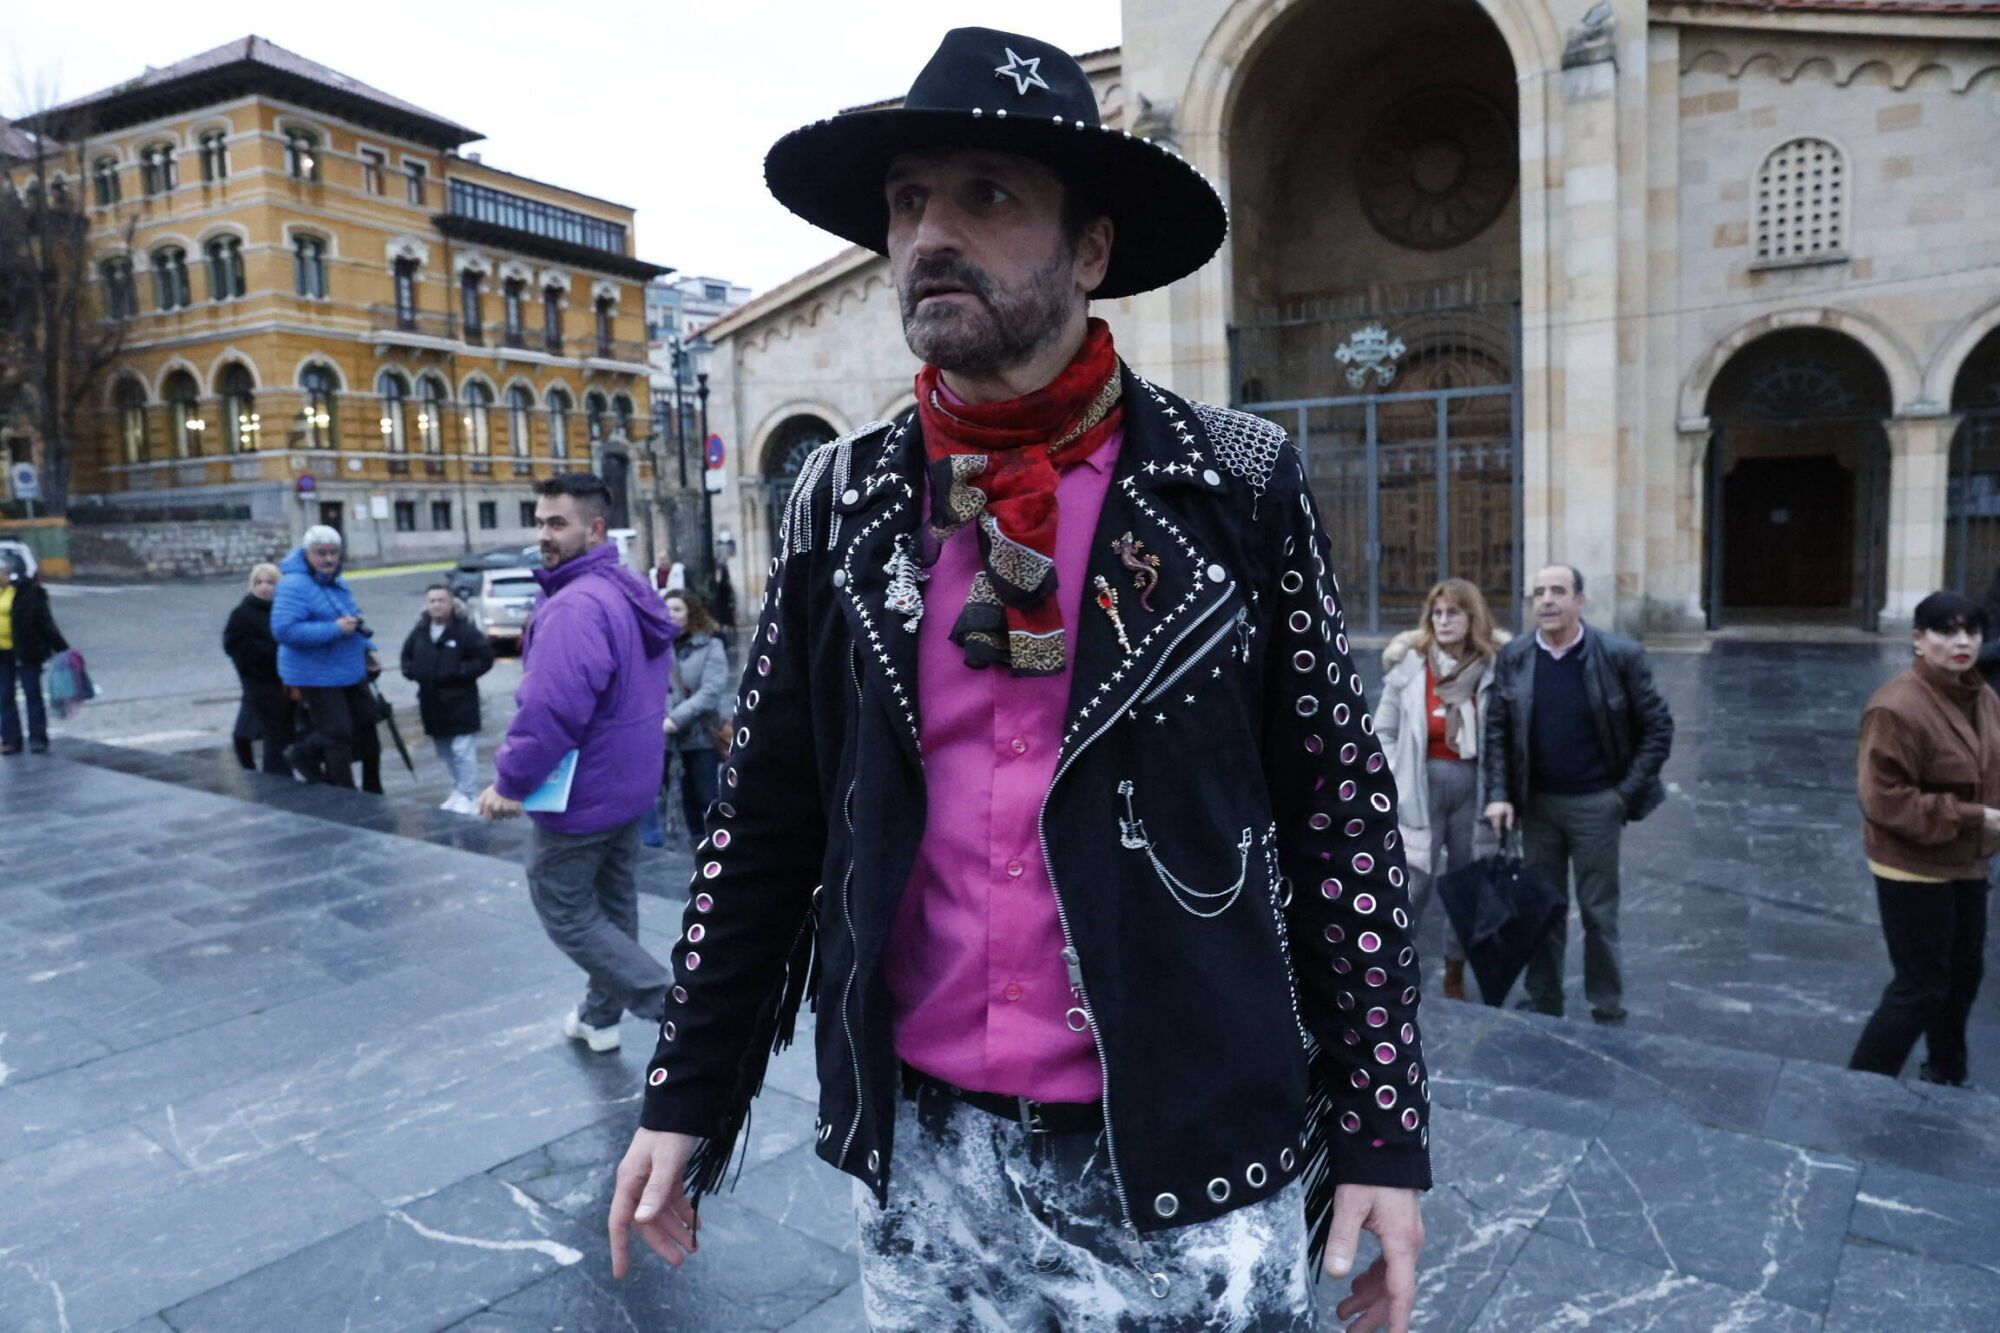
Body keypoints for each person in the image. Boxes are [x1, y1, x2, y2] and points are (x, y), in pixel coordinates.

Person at [609, 30, 1428, 1333]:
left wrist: (1382, 1131)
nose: (931, 232)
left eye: (986, 194)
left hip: (1192, 1148)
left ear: (1091, 249)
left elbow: (1338, 815)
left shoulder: (1235, 483)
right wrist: (686, 1091)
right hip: (926, 1158)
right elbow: (765, 819)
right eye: (908, 200)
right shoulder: (841, 500)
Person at [479, 473, 679, 1055]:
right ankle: (599, 1016)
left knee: (564, 906)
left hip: (583, 791)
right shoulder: (625, 587)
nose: (543, 534)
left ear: (593, 529)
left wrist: (509, 782)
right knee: (613, 907)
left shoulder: (576, 606)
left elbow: (548, 712)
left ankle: (672, 1010)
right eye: (539, 521)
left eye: (556, 523)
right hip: (627, 783)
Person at [1482, 565, 1673, 1024]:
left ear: (1580, 600)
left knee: (1598, 912)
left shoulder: (1618, 655)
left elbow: (1658, 728)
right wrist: (1499, 793)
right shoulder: (1516, 656)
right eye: (1539, 593)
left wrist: (1623, 795)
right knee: (1542, 909)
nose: (1546, 601)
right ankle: (1543, 998)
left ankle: (1606, 1005)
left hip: (1598, 805)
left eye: (1558, 591)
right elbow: (1498, 731)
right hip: (1538, 805)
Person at [1849, 590, 2000, 1087]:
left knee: (1962, 979)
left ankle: (1946, 1072)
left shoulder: (1983, 696)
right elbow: (1885, 800)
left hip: (1968, 860)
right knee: (1920, 987)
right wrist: (1976, 816)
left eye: (1971, 632)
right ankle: (1863, 1084)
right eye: (1946, 631)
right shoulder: (1896, 707)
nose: (1962, 642)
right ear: (1918, 639)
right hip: (1912, 864)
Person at [1375, 579, 1504, 1002]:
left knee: (1467, 884)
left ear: (1473, 618)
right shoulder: (1410, 667)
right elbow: (1385, 731)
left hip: (1473, 788)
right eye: (1437, 613)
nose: (1444, 620)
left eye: (1454, 612)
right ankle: (1392, 969)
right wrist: (1396, 779)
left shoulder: (1492, 668)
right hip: (1420, 788)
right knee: (1412, 882)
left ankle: (1454, 968)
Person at [271, 525, 383, 793]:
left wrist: (367, 649)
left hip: (348, 667)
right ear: (307, 553)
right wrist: (334, 629)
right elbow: (284, 630)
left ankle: (372, 787)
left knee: (367, 720)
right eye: (321, 553)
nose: (329, 559)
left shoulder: (336, 580)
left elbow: (351, 617)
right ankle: (344, 793)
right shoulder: (293, 584)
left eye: (333, 552)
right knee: (338, 734)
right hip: (315, 673)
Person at [401, 584, 496, 814]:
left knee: (462, 750)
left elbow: (484, 658)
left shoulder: (464, 631)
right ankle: (458, 789)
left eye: (441, 600)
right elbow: (407, 656)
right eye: (432, 601)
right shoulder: (421, 631)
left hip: (460, 702)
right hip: (432, 703)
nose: (436, 605)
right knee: (444, 750)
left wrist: (459, 672)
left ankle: (469, 794)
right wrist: (415, 671)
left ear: (451, 603)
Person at [662, 589, 730, 844]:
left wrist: (676, 717)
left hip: (700, 735)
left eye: (678, 609)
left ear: (691, 612)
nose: (671, 615)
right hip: (670, 738)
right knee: (684, 798)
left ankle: (720, 843)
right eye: (667, 609)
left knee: (706, 794)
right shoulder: (659, 645)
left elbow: (711, 692)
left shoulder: (712, 645)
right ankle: (696, 843)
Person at [222, 562, 293, 777]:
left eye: (270, 582)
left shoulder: (286, 611)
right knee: (270, 734)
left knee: (278, 733)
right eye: (259, 582)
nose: (264, 587)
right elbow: (235, 647)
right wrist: (271, 654)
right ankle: (272, 777)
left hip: (286, 681)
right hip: (259, 683)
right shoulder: (242, 614)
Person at [0, 553, 66, 756]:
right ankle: (11, 740)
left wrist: (62, 648)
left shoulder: (27, 592)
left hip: (27, 651)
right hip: (2, 653)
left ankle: (38, 739)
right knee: (4, 696)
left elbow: (44, 622)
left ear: (8, 573)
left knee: (32, 694)